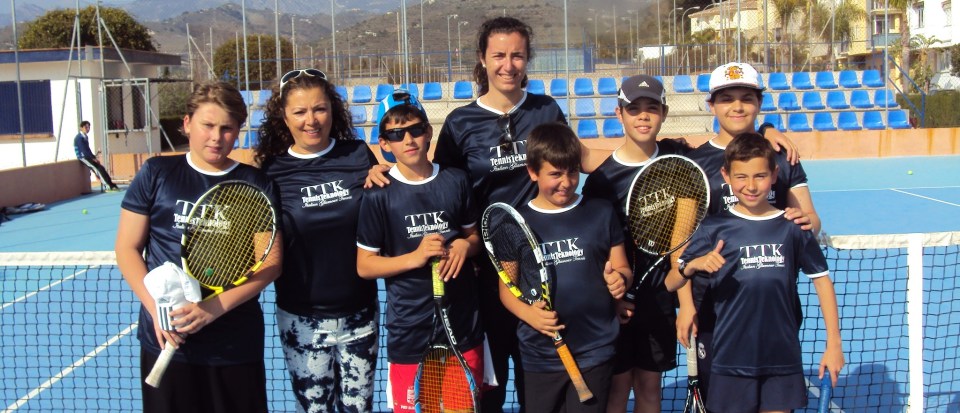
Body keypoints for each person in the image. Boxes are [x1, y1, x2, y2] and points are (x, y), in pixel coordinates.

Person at [115, 81, 283, 413]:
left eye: (227, 128)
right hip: (167, 339)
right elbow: (127, 248)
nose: (216, 137)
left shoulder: (256, 183)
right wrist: (157, 312)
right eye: (207, 125)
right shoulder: (156, 172)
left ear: (237, 132)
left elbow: (271, 263)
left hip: (234, 344)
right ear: (187, 123)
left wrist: (212, 309)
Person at [672, 62, 822, 404]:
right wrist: (685, 306)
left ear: (759, 103)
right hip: (714, 309)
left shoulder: (782, 159)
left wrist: (802, 219)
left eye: (746, 98)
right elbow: (680, 241)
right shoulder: (695, 163)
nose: (737, 106)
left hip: (775, 308)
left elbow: (813, 219)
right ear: (712, 105)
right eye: (726, 98)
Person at [673, 133, 844, 413]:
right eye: (741, 177)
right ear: (726, 176)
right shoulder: (713, 228)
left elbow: (822, 280)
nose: (751, 186)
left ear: (775, 175)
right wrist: (692, 265)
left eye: (760, 176)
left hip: (781, 356)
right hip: (730, 359)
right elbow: (674, 280)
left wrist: (833, 344)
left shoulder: (792, 228)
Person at [254, 68, 379, 412]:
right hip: (301, 319)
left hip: (360, 315)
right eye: (300, 111)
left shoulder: (357, 155)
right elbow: (262, 247)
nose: (311, 120)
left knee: (358, 409)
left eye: (319, 108)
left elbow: (382, 213)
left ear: (332, 110)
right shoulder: (272, 172)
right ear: (284, 116)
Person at [355, 96, 484, 412]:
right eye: (397, 135)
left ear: (428, 132)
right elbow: (365, 266)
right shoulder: (378, 194)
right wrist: (415, 257)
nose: (408, 140)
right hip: (409, 331)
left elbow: (474, 237)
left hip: (462, 325)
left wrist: (465, 246)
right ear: (385, 144)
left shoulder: (456, 180)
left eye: (414, 130)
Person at [502, 122, 631, 413]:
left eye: (572, 171)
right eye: (555, 174)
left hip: (594, 351)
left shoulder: (600, 212)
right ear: (532, 172)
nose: (566, 182)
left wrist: (620, 281)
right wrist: (529, 315)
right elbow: (506, 288)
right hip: (540, 355)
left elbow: (621, 266)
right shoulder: (515, 224)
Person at [580, 75, 685, 413]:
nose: (643, 116)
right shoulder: (601, 181)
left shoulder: (676, 159)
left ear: (664, 113)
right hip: (617, 305)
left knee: (650, 388)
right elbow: (595, 250)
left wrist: (769, 129)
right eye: (634, 108)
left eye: (651, 108)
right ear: (619, 113)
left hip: (660, 300)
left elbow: (726, 147)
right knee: (617, 389)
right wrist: (612, 300)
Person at [74, 120, 120, 191]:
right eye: (86, 127)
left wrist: (94, 157)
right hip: (83, 157)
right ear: (81, 128)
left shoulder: (85, 137)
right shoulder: (79, 138)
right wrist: (92, 159)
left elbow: (88, 149)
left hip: (88, 156)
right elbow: (83, 151)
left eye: (89, 127)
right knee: (97, 169)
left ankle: (111, 184)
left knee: (101, 168)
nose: (88, 129)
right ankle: (107, 186)